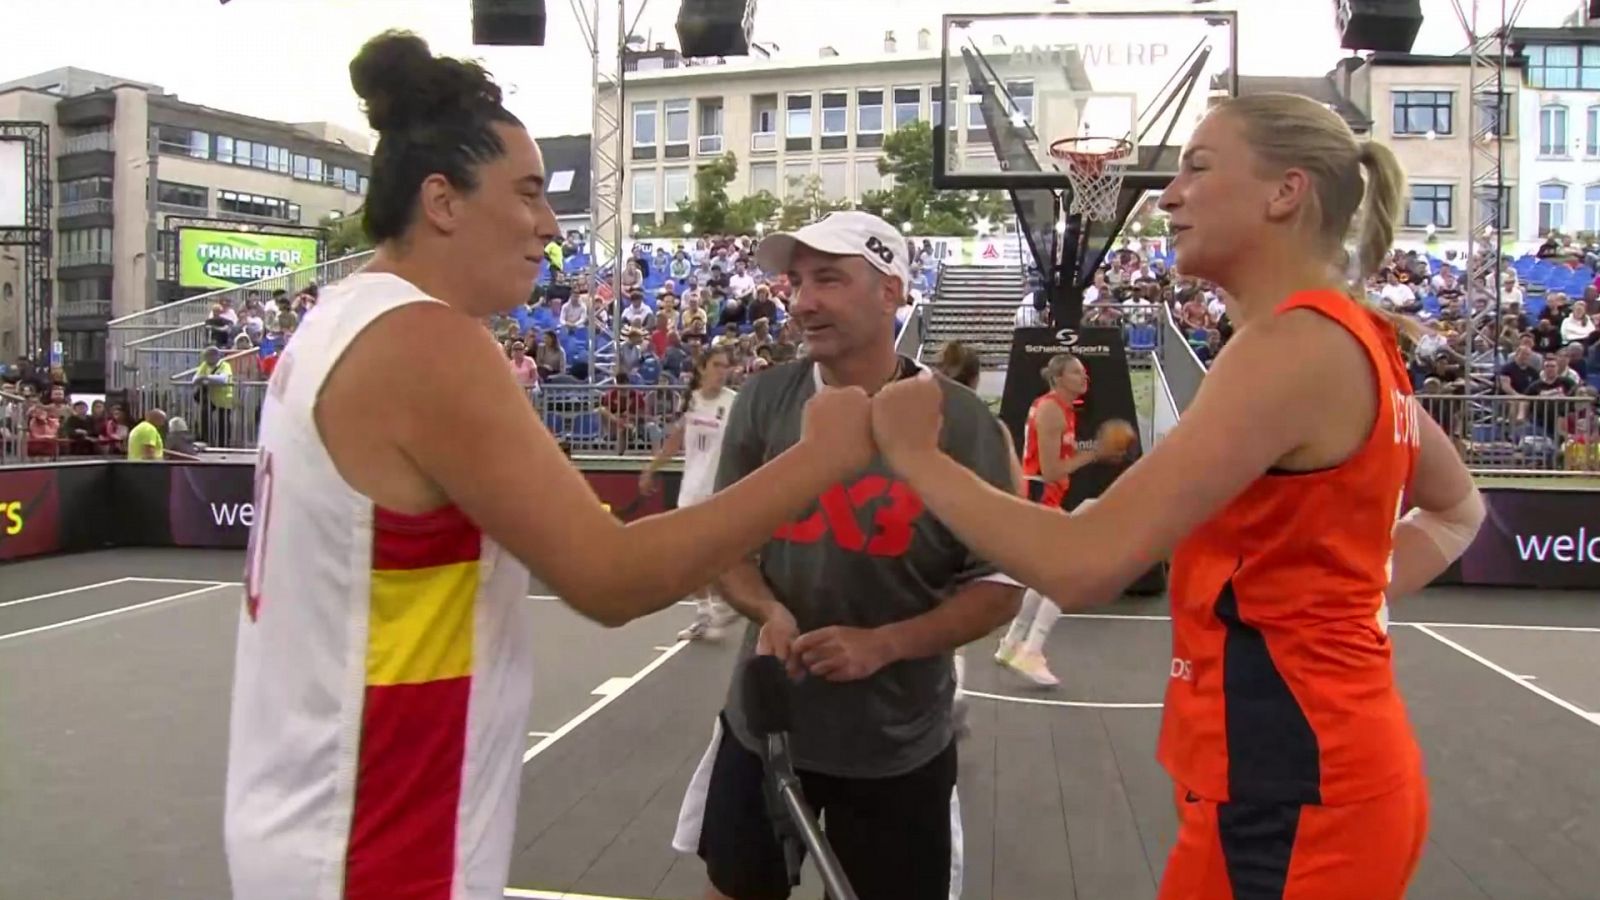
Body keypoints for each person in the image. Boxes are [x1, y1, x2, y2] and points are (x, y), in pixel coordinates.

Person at [222, 32, 873, 900]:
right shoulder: (423, 340)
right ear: (442, 201)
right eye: (527, 193)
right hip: (373, 841)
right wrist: (825, 454)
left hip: (319, 823)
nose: (550, 223)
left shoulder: (340, 321)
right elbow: (608, 579)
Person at [869, 92, 1485, 899]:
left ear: (1284, 192)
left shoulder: (1292, 347)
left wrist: (915, 454)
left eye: (1198, 167)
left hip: (1296, 784)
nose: (1168, 195)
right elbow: (1457, 509)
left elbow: (1086, 566)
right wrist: (1337, 600)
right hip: (1301, 769)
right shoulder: (1352, 339)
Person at [670, 211, 1024, 900]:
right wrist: (766, 607)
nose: (802, 300)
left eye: (828, 279)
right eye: (797, 281)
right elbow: (725, 547)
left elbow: (1000, 584)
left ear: (891, 291)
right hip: (766, 727)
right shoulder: (767, 400)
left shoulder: (962, 421)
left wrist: (887, 643)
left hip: (898, 743)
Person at [993, 353, 1118, 687]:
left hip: (1046, 498)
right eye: (1077, 371)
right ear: (1059, 377)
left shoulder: (1062, 409)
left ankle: (1011, 643)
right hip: (1039, 497)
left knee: (1047, 577)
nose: (1084, 377)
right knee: (1065, 575)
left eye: (1084, 372)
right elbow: (1050, 471)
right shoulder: (1050, 409)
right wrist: (1096, 453)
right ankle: (1030, 650)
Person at [640, 346, 741, 639]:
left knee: (715, 554)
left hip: (720, 490)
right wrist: (651, 468)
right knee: (691, 557)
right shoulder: (692, 401)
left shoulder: (734, 403)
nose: (723, 371)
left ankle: (725, 604)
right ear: (702, 368)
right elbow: (674, 441)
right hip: (691, 490)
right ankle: (706, 614)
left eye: (726, 366)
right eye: (717, 365)